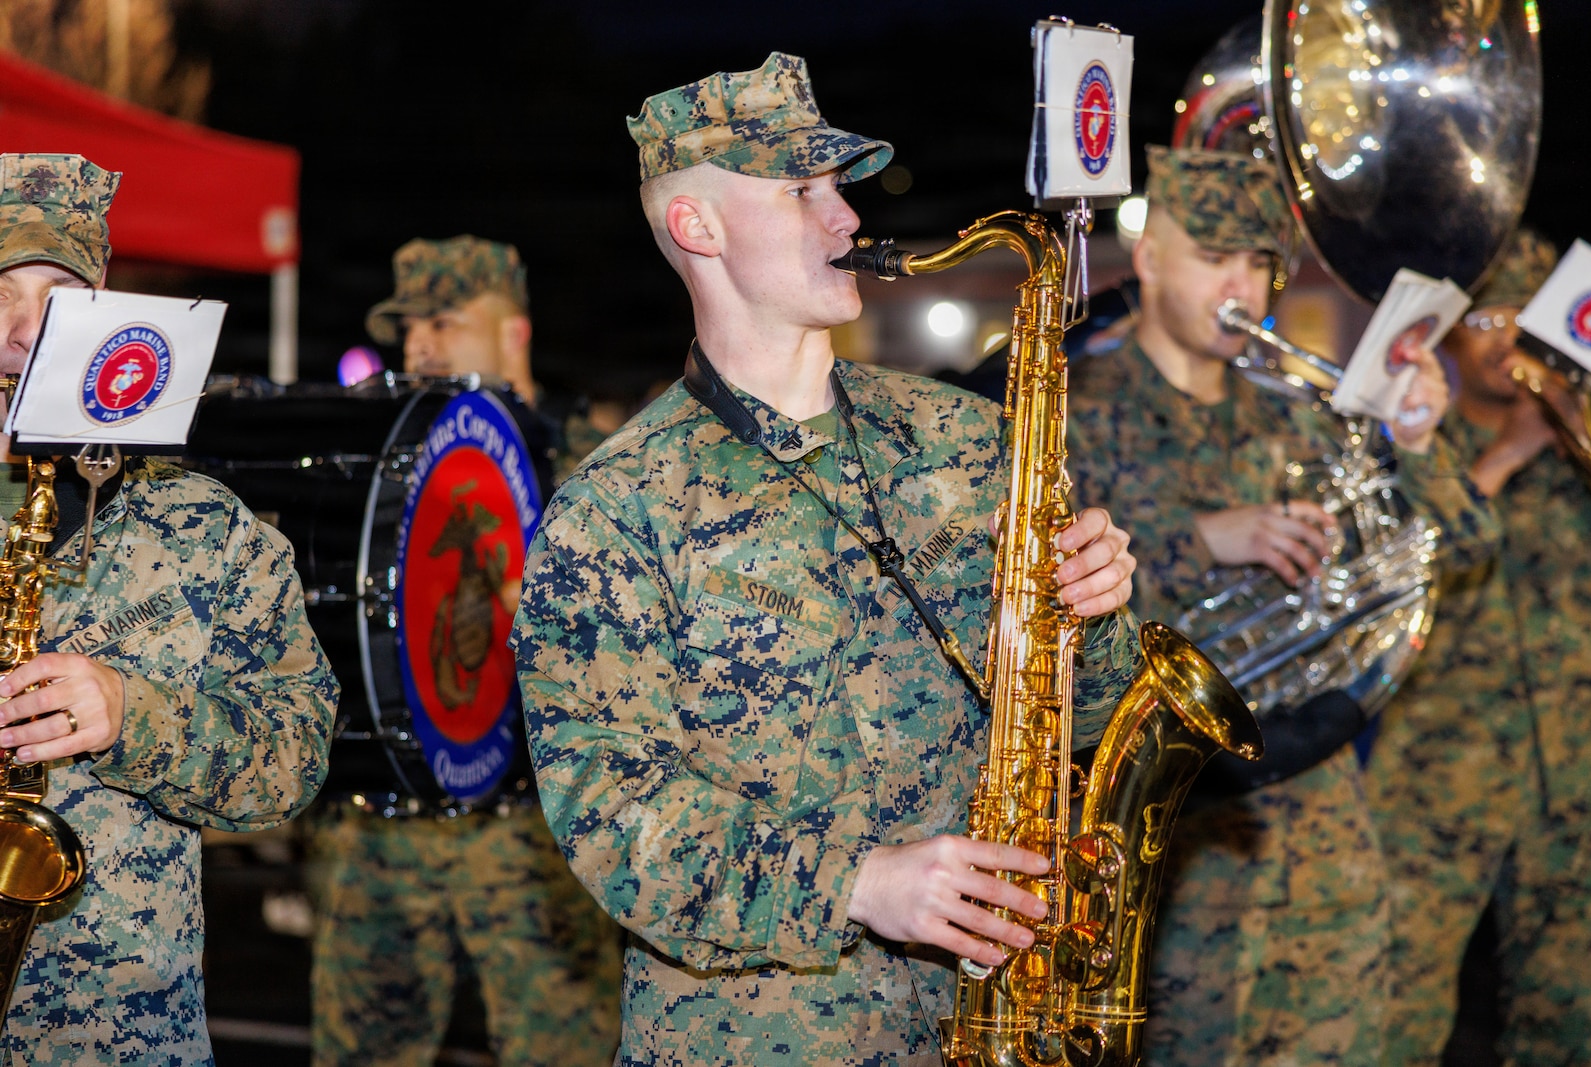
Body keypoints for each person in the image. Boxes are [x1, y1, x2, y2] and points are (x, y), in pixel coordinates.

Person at [512, 52, 1143, 1066]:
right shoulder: (614, 509)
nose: (844, 217)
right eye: (801, 190)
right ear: (697, 226)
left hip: (991, 1017)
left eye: (838, 187)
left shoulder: (969, 440)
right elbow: (611, 820)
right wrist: (859, 883)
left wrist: (1093, 608)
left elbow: (1086, 716)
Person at [1065, 145, 1500, 1067]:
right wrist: (1200, 535)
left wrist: (1417, 443)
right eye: (1215, 256)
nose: (1244, 285)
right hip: (1178, 847)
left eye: (1261, 262)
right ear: (1147, 258)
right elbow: (1048, 620)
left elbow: (1464, 551)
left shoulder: (1301, 414)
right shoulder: (1075, 410)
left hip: (1326, 828)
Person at [0, 152, 338, 1064]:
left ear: (105, 299)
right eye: (1, 290)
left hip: (121, 1035)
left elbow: (294, 757)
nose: (25, 329)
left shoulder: (207, 531)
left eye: (56, 291)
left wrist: (132, 714)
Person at [306, 235, 622, 1067]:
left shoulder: (590, 462)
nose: (418, 345)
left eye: (444, 321)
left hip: (529, 832)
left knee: (565, 1050)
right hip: (380, 827)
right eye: (407, 326)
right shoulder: (376, 464)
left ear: (512, 331)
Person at [1367, 230, 1591, 1066]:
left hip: (1577, 774)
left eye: (1526, 318)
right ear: (1452, 332)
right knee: (1397, 1005)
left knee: (1575, 1018)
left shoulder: (1584, 449)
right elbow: (1387, 575)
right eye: (1489, 316)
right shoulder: (1409, 446)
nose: (1507, 340)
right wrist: (1507, 455)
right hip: (1437, 773)